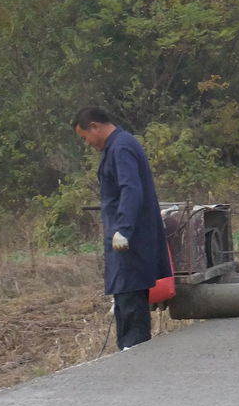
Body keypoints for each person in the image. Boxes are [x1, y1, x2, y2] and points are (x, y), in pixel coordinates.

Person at [73, 106, 172, 350]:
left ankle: (134, 354)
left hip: (130, 241)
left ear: (94, 126)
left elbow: (131, 188)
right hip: (123, 241)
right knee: (125, 298)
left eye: (85, 137)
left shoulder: (121, 147)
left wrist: (124, 229)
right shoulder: (117, 146)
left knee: (130, 298)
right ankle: (128, 352)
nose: (86, 143)